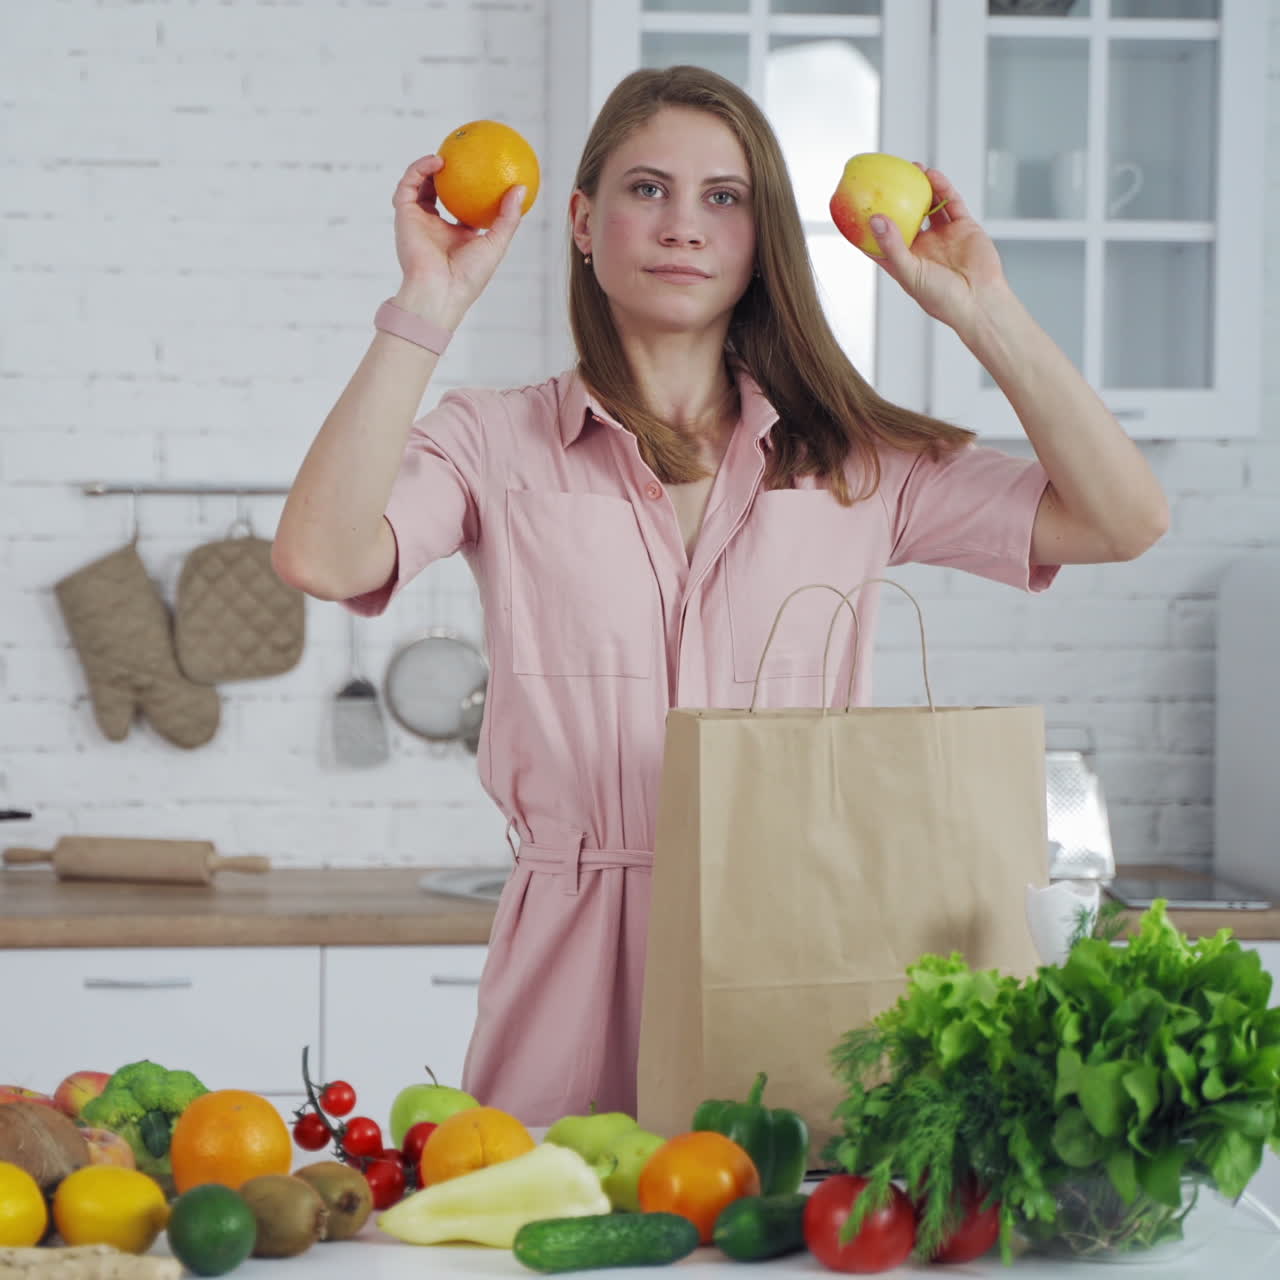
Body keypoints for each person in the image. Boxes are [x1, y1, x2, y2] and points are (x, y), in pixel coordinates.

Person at [273, 66, 1168, 1125]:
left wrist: (983, 310)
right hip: (572, 958)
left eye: (723, 198)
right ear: (580, 220)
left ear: (758, 241)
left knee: (782, 1233)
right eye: (646, 189)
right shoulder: (493, 441)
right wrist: (424, 309)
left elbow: (1123, 519)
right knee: (546, 1226)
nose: (682, 226)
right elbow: (323, 557)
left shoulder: (852, 461)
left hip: (795, 942)